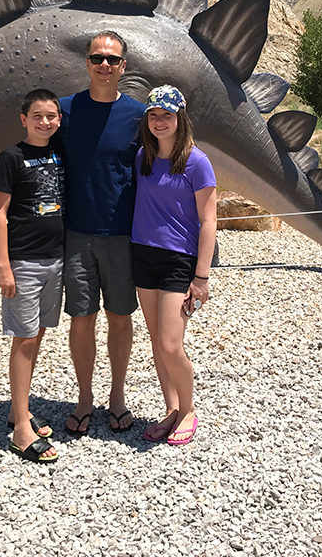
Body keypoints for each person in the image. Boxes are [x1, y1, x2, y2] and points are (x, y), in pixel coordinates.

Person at [58, 31, 145, 435]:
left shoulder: (138, 116)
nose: (105, 66)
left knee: (121, 317)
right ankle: (85, 399)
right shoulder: (64, 111)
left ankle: (117, 397)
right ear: (87, 63)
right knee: (81, 319)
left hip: (121, 235)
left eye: (112, 60)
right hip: (76, 233)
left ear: (123, 66)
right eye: (98, 58)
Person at [131, 85, 217, 446]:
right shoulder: (142, 158)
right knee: (156, 340)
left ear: (180, 118)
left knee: (170, 343)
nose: (160, 121)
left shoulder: (197, 162)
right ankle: (171, 409)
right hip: (143, 255)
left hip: (179, 261)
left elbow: (209, 220)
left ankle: (189, 409)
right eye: (154, 115)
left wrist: (201, 277)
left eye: (167, 115)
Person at [0, 89, 65, 463]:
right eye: (38, 116)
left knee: (36, 335)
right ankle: (21, 429)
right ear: (24, 120)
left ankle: (18, 409)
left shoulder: (58, 152)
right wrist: (3, 265)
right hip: (24, 262)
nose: (45, 122)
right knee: (22, 339)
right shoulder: (12, 157)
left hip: (56, 260)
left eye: (51, 116)